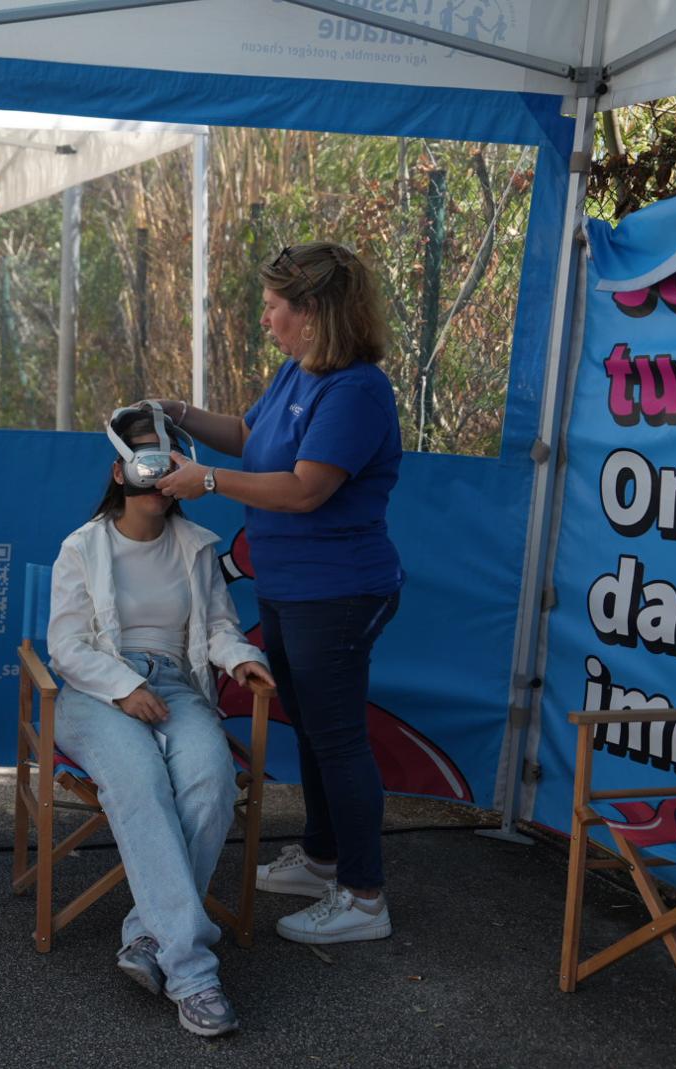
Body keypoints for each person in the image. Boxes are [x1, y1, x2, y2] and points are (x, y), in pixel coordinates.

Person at [152, 241, 404, 946]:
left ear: (313, 311)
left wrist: (206, 481)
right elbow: (246, 433)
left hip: (339, 592)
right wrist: (178, 411)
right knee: (315, 729)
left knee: (338, 738)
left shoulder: (356, 390)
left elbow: (303, 489)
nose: (265, 319)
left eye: (273, 307)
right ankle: (323, 860)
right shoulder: (299, 369)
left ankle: (364, 896)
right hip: (291, 588)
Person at [47, 403, 272, 1038]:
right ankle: (194, 974)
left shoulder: (196, 547)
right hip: (96, 690)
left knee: (209, 781)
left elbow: (220, 627)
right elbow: (66, 647)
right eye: (144, 460)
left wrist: (241, 659)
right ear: (120, 473)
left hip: (175, 684)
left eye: (168, 459)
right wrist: (125, 688)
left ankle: (149, 935)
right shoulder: (83, 547)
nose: (157, 473)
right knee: (142, 782)